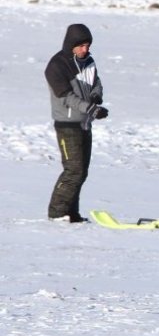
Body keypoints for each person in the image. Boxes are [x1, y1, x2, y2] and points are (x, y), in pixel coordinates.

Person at [45, 23, 109, 222]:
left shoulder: (89, 61)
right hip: (67, 125)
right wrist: (90, 109)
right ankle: (57, 213)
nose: (85, 49)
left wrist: (96, 98)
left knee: (82, 172)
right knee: (73, 170)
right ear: (71, 44)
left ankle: (71, 212)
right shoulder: (57, 65)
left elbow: (96, 82)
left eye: (88, 45)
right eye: (81, 45)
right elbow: (65, 97)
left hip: (85, 124)